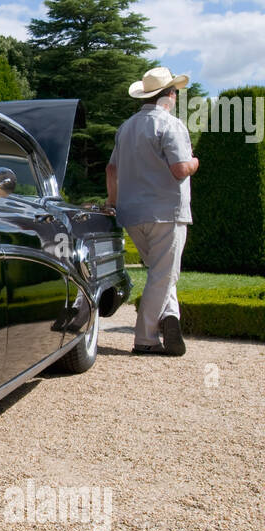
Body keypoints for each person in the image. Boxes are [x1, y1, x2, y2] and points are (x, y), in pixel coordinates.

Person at [105, 67, 200, 357]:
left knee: (162, 273)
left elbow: (111, 169)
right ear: (168, 96)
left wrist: (113, 202)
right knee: (164, 275)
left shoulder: (126, 127)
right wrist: (196, 161)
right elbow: (180, 169)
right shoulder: (171, 125)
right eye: (175, 93)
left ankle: (171, 315)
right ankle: (145, 338)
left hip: (132, 214)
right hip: (166, 213)